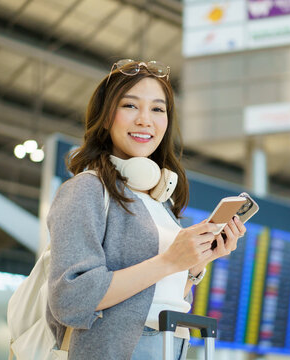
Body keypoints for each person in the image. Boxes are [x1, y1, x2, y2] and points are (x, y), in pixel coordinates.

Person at [46, 59, 246, 360]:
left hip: (170, 346)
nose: (145, 120)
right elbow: (70, 299)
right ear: (105, 117)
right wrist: (168, 261)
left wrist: (193, 266)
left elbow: (164, 298)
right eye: (130, 106)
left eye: (157, 109)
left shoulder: (160, 202)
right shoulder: (86, 189)